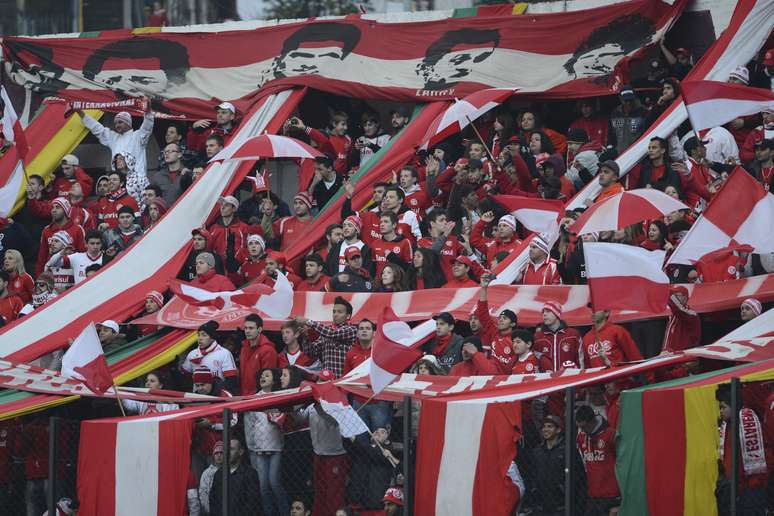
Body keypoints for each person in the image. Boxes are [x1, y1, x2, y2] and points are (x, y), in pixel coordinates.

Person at [716, 383, 769, 515]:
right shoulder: (727, 426)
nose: (720, 411)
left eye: (723, 407)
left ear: (734, 406)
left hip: (749, 488)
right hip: (735, 488)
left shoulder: (746, 422)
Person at [243, 368, 289, 516]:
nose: (263, 377)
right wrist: (251, 447)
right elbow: (249, 425)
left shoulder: (280, 397)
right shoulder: (253, 399)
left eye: (267, 375)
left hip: (276, 446)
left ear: (274, 380)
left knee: (274, 483)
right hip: (258, 449)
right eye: (261, 375)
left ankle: (284, 512)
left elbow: (285, 421)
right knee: (263, 487)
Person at [294, 395, 350, 516]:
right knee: (319, 491)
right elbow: (300, 420)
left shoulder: (336, 402)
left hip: (335, 455)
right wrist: (292, 408)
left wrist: (318, 406)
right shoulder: (311, 405)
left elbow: (335, 421)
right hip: (318, 454)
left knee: (334, 494)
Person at [77, 104, 154, 185]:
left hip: (138, 183)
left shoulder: (138, 136)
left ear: (128, 123)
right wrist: (80, 113)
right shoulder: (114, 138)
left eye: (120, 122)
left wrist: (148, 108)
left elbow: (148, 125)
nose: (117, 125)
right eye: (116, 123)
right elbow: (98, 129)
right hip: (118, 184)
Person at [530, 415, 583, 516]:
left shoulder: (568, 450)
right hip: (541, 505)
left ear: (558, 430)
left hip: (562, 505)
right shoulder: (537, 451)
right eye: (544, 426)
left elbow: (579, 477)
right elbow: (533, 475)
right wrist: (534, 490)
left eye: (550, 426)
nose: (545, 429)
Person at [296, 296, 357, 378]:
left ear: (348, 316)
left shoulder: (351, 330)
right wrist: (305, 337)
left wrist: (308, 321)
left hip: (343, 380)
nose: (335, 314)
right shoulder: (326, 332)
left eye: (340, 312)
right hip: (327, 380)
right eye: (334, 312)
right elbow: (311, 353)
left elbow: (333, 334)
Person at [576, 405, 619, 515]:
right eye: (580, 427)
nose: (582, 430)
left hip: (612, 495)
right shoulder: (581, 438)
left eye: (584, 427)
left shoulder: (610, 435)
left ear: (593, 421)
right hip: (592, 495)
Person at [347, 426, 400, 511]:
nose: (377, 432)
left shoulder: (388, 453)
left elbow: (374, 453)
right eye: (375, 431)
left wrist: (354, 440)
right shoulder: (363, 448)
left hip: (376, 502)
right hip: (358, 500)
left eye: (382, 432)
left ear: (387, 441)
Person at [474, 274, 517, 373]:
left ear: (513, 324)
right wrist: (484, 288)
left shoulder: (516, 340)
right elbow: (482, 313)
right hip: (491, 377)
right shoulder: (495, 332)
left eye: (505, 318)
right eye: (500, 318)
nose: (500, 320)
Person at [208, 438, 261, 516]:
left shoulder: (250, 474)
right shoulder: (219, 474)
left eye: (231, 449)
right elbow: (213, 499)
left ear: (240, 452)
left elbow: (252, 502)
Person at [181, 321, 238, 392]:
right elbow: (185, 379)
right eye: (199, 335)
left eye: (204, 335)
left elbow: (231, 380)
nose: (200, 338)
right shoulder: (192, 354)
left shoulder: (224, 353)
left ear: (212, 338)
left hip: (217, 398)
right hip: (196, 397)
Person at [36, 197, 86, 274]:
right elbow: (42, 257)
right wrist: (39, 277)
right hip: (51, 274)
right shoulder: (46, 230)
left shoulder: (77, 229)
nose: (53, 210)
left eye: (58, 207)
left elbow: (83, 254)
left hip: (71, 273)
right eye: (52, 207)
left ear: (65, 210)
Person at [534, 301, 583, 371]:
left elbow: (581, 360)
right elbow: (534, 362)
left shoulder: (573, 335)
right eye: (543, 312)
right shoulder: (537, 337)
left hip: (569, 379)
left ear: (557, 314)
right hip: (546, 380)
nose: (544, 314)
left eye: (548, 311)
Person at [239, 314, 277, 395]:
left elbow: (268, 380)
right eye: (245, 328)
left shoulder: (268, 350)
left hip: (258, 398)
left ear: (259, 329)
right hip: (244, 396)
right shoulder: (244, 348)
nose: (247, 331)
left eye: (251, 328)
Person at [369, 211, 413, 277]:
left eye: (386, 222)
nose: (382, 224)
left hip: (397, 284)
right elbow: (372, 268)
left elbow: (410, 269)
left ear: (394, 225)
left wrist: (393, 258)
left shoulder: (405, 242)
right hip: (378, 285)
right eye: (381, 222)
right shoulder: (375, 244)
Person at [208, 195, 249, 263]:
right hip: (218, 266)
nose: (222, 207)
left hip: (237, 266)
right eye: (221, 205)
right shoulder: (213, 228)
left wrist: (236, 259)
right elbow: (209, 247)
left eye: (226, 205)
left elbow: (247, 247)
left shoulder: (244, 227)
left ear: (234, 209)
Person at [608, 85, 647, 155]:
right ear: (620, 99)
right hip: (618, 153)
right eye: (625, 101)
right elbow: (611, 132)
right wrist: (610, 146)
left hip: (638, 152)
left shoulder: (643, 112)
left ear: (635, 98)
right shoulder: (615, 113)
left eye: (630, 100)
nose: (628, 103)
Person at [662, 285, 701, 353]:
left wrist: (666, 293)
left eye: (676, 296)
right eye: (673, 295)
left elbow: (678, 308)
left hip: (686, 353)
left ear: (685, 298)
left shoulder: (691, 314)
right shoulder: (673, 315)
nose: (673, 298)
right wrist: (665, 349)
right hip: (672, 353)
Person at [198, 440, 223, 516]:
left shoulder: (230, 471)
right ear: (213, 456)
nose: (219, 455)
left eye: (221, 453)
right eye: (216, 453)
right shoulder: (207, 473)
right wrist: (210, 510)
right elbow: (203, 493)